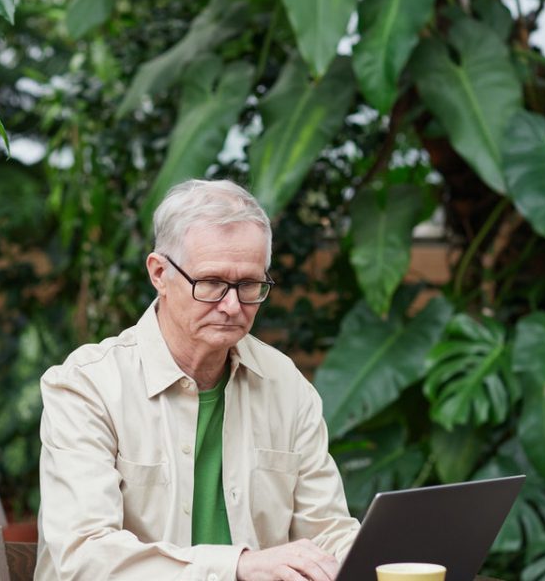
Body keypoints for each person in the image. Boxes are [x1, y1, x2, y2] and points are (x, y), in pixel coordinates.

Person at [36, 180, 360, 581]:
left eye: (248, 285)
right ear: (159, 273)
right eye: (211, 283)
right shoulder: (88, 386)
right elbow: (84, 557)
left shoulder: (286, 386)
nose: (231, 305)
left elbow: (327, 534)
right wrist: (236, 567)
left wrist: (392, 560)